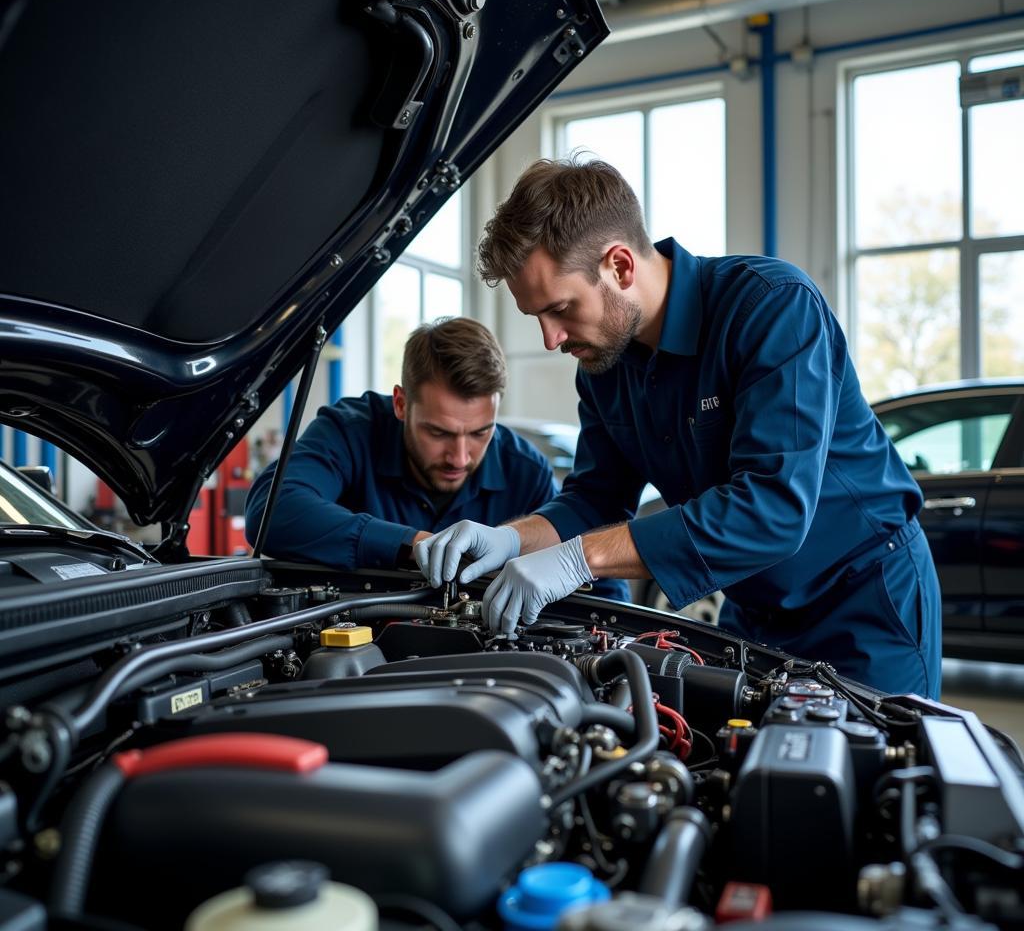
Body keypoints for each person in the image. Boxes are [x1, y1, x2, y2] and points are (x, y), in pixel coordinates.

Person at [416, 159, 941, 698]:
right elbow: (596, 499)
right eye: (537, 318)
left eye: (561, 309)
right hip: (753, 610)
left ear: (620, 265)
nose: (551, 339)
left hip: (863, 601)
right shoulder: (603, 367)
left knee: (873, 772)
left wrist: (579, 559)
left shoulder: (771, 307)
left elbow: (774, 508)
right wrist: (510, 539)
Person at [244, 315, 628, 601]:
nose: (459, 457)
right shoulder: (350, 431)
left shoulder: (524, 470)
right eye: (439, 432)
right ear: (400, 403)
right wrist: (411, 545)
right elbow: (272, 510)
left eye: (480, 432)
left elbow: (605, 590)